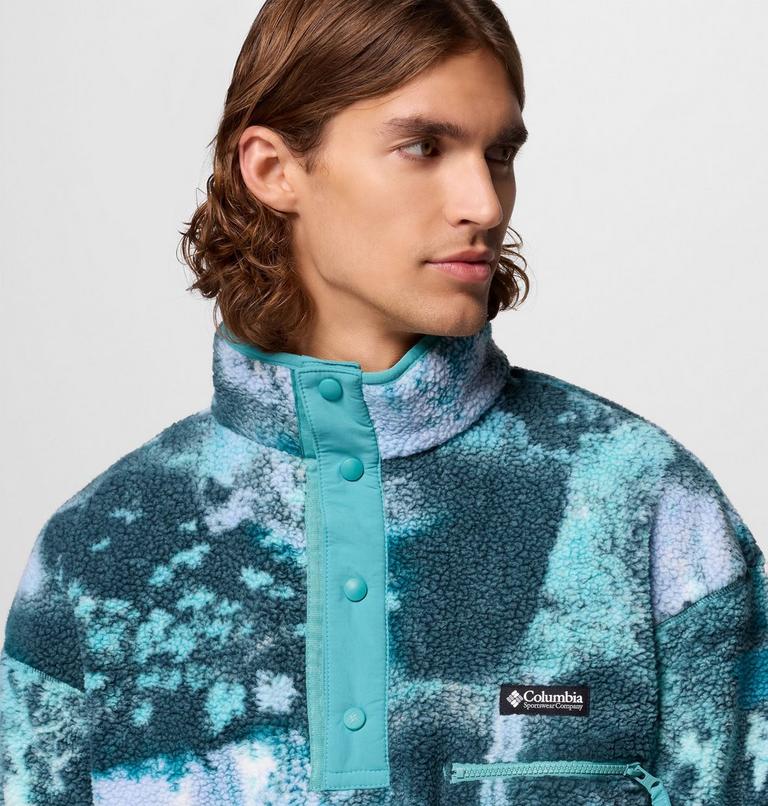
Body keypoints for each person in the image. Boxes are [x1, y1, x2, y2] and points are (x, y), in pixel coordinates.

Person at [1, 1, 766, 803]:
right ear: (273, 169)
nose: (485, 204)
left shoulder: (646, 506)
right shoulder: (96, 556)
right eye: (423, 147)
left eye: (499, 154)